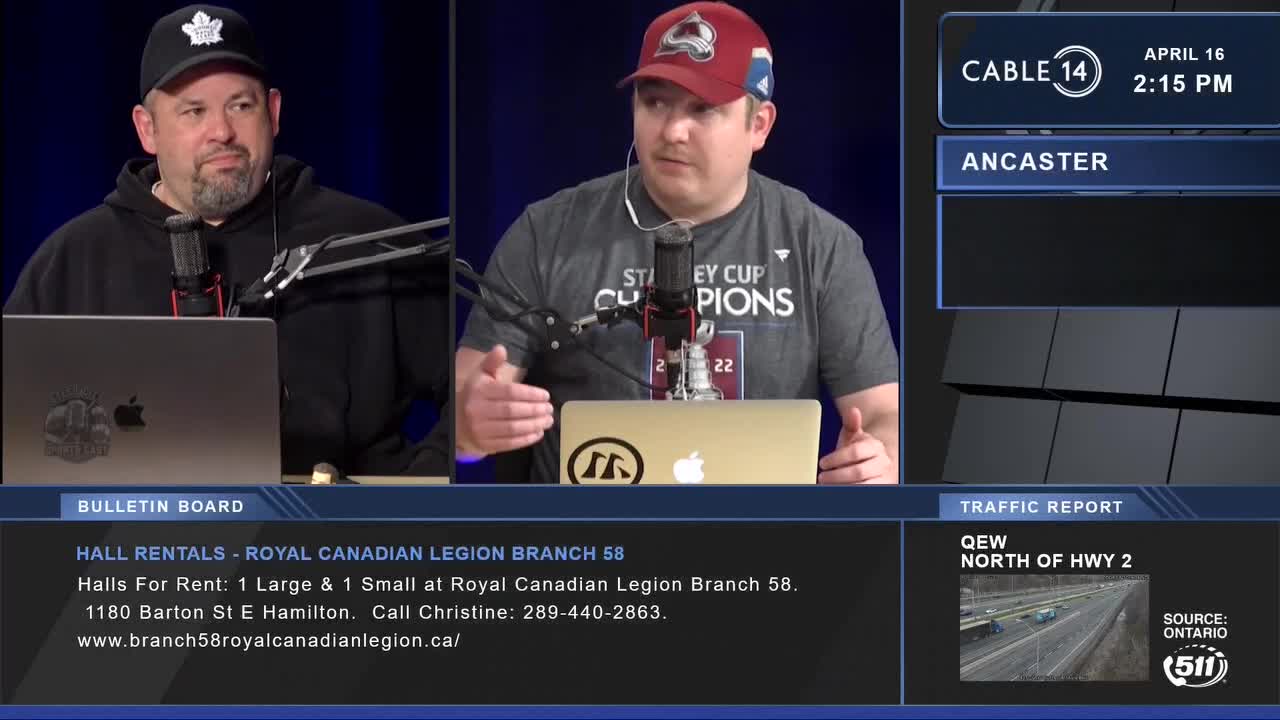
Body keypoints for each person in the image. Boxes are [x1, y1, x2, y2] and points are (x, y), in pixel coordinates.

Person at [457, 1, 898, 484]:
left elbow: (883, 416)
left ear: (759, 125)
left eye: (702, 109)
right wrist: (468, 426)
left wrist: (879, 460)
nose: (671, 131)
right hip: (589, 546)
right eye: (655, 102)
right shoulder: (547, 233)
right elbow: (466, 408)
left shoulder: (821, 245)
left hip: (766, 542)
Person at [3, 5, 449, 477]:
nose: (222, 132)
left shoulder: (363, 242)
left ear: (273, 113)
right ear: (147, 129)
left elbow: (482, 393)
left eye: (241, 105)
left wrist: (412, 498)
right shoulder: (74, 260)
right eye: (194, 111)